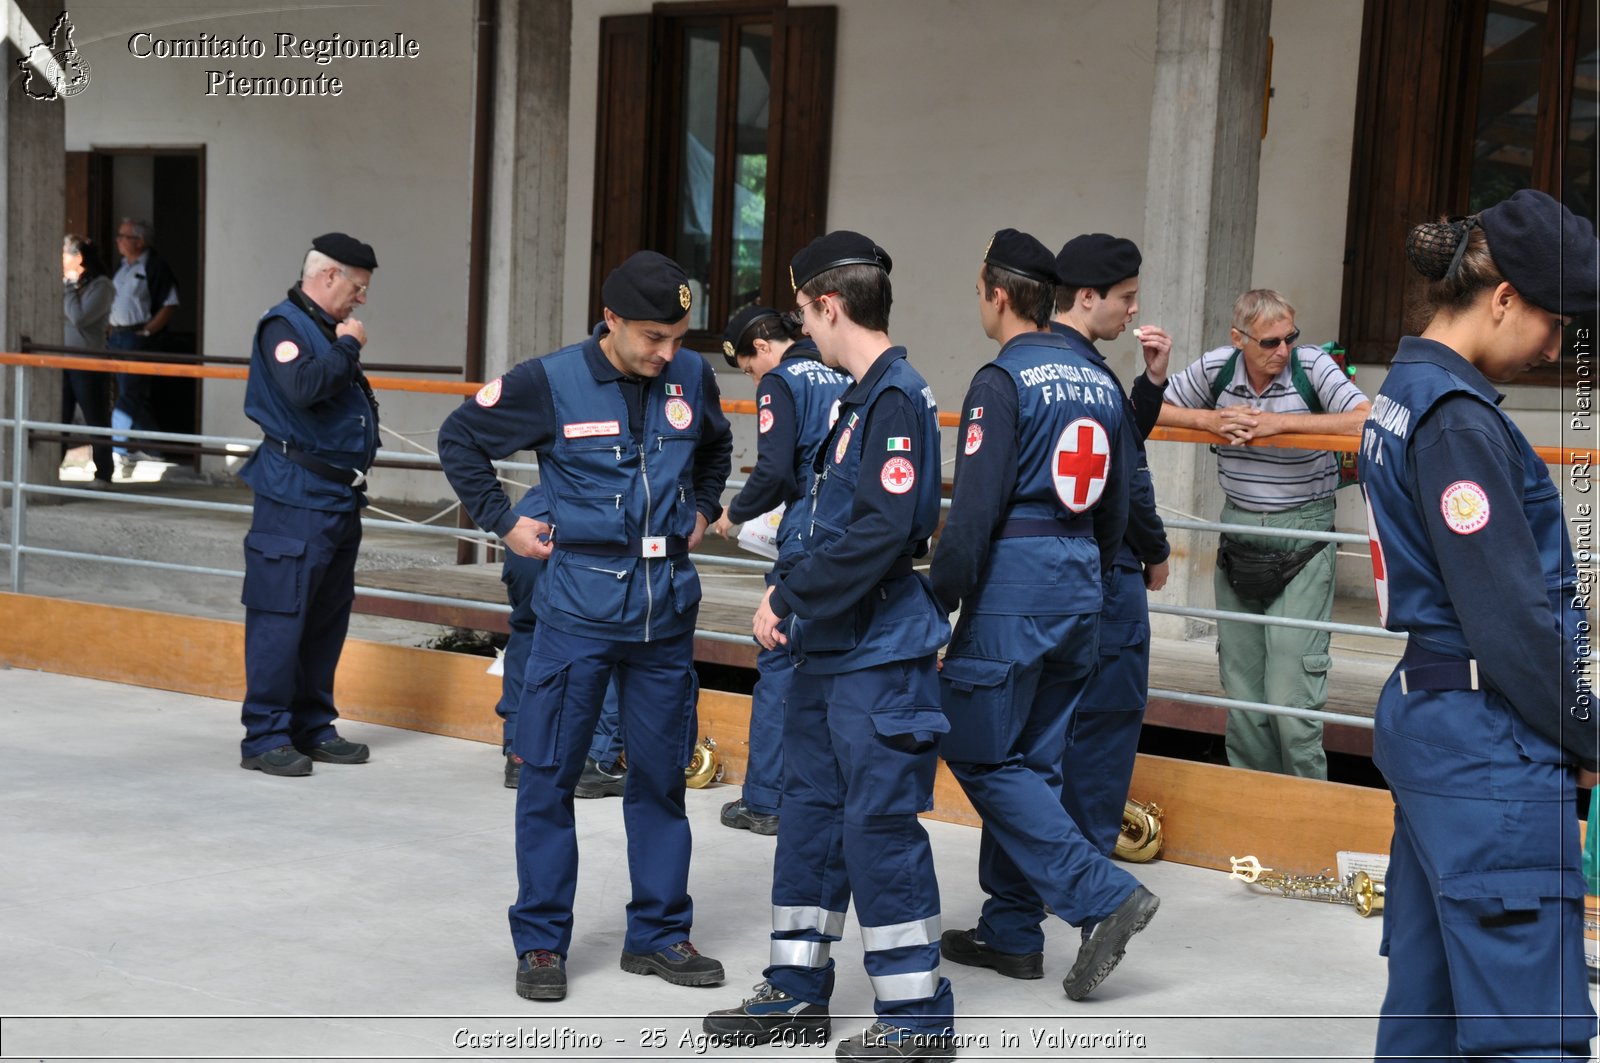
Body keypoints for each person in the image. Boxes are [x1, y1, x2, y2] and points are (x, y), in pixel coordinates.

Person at [437, 250, 733, 1003]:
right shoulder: (549, 381)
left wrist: (701, 508)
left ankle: (661, 933)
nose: (667, 353)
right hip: (577, 613)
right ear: (610, 321)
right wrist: (504, 522)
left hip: (664, 615)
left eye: (677, 336)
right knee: (548, 777)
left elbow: (716, 446)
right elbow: (459, 437)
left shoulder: (690, 377)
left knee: (662, 781)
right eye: (651, 337)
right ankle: (541, 942)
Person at [704, 231, 956, 1061]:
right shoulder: (858, 396)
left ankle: (917, 1019)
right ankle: (795, 988)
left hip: (877, 654)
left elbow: (884, 530)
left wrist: (789, 591)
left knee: (877, 827)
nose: (800, 331)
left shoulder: (895, 398)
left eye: (805, 313)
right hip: (829, 649)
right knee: (809, 818)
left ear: (829, 304)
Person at [1360, 189, 1598, 1060]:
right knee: (1531, 1025)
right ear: (1503, 298)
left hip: (1439, 726)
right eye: (1555, 322)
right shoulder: (1459, 423)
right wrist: (1589, 732)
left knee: (1428, 1005)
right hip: (1489, 742)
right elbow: (1509, 623)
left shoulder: (1407, 391)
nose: (1555, 347)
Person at [929, 229, 1157, 1005]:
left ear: (995, 291)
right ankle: (1012, 929)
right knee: (1034, 762)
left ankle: (1101, 896)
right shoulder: (1100, 382)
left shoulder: (1002, 380)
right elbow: (1118, 506)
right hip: (1080, 584)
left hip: (1014, 588)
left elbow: (974, 514)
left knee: (978, 749)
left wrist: (936, 604)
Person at [1150, 289, 1370, 779]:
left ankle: (1306, 805)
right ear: (1239, 339)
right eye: (1270, 342)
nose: (1283, 351)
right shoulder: (1217, 368)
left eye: (1290, 337)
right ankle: (1250, 806)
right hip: (1240, 532)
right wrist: (1207, 418)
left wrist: (1279, 425)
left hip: (1304, 536)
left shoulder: (1312, 366)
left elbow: (1365, 419)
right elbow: (1151, 408)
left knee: (1292, 700)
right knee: (1244, 696)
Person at [1046, 234, 1171, 857]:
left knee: (1046, 730)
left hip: (1046, 578)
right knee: (1104, 725)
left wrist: (1150, 384)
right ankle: (1087, 873)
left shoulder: (1036, 364)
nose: (1132, 311)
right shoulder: (1094, 379)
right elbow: (1128, 477)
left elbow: (1110, 444)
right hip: (1107, 573)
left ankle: (1031, 885)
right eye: (1125, 299)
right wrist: (1157, 552)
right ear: (1087, 297)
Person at [236, 233, 378, 777]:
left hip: (335, 498)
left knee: (324, 618)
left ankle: (312, 725)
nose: (361, 300)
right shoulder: (285, 327)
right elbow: (302, 388)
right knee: (280, 615)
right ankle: (266, 735)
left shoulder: (322, 328)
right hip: (294, 496)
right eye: (357, 287)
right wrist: (348, 347)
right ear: (328, 276)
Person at [708, 304, 850, 835]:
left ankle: (766, 799)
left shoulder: (782, 382)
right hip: (847, 537)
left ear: (763, 347)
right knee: (829, 668)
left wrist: (734, 514)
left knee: (778, 660)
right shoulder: (842, 373)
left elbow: (771, 470)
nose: (754, 379)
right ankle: (818, 796)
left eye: (748, 368)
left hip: (806, 535)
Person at [497, 486, 625, 794]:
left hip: (531, 520)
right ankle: (596, 759)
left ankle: (519, 752)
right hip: (588, 527)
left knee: (528, 631)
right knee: (608, 639)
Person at [107, 218, 179, 473]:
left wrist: (147, 332)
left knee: (128, 396)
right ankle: (154, 449)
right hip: (116, 336)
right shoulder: (123, 266)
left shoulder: (155, 266)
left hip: (137, 338)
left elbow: (169, 304)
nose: (118, 240)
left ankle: (117, 452)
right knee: (134, 394)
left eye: (123, 236)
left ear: (140, 241)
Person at [61, 234, 116, 487]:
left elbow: (80, 317)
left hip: (89, 362)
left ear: (79, 258)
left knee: (96, 417)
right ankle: (50, 469)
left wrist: (70, 288)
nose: (61, 260)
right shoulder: (69, 284)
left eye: (65, 255)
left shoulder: (102, 286)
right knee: (59, 418)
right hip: (63, 360)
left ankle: (104, 473)